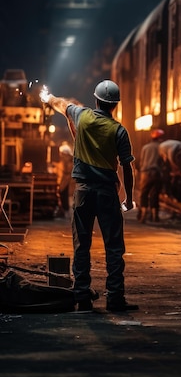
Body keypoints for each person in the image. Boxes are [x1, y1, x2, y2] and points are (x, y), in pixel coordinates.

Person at [40, 80, 138, 313]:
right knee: (114, 248)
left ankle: (82, 297)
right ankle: (115, 298)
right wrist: (129, 197)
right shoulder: (119, 131)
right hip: (107, 194)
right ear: (114, 105)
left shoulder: (81, 115)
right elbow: (127, 167)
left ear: (96, 100)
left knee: (81, 246)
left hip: (83, 192)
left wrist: (49, 97)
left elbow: (62, 104)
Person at [137, 129, 164, 223]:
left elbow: (141, 161)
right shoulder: (161, 147)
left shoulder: (145, 147)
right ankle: (154, 216)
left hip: (145, 173)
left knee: (144, 194)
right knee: (155, 194)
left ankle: (143, 214)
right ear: (160, 138)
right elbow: (163, 161)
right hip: (156, 173)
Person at [55, 142, 74, 217]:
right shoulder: (64, 162)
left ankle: (69, 213)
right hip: (66, 182)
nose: (61, 156)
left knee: (69, 199)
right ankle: (67, 213)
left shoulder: (69, 162)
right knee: (65, 197)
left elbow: (67, 173)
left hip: (69, 183)